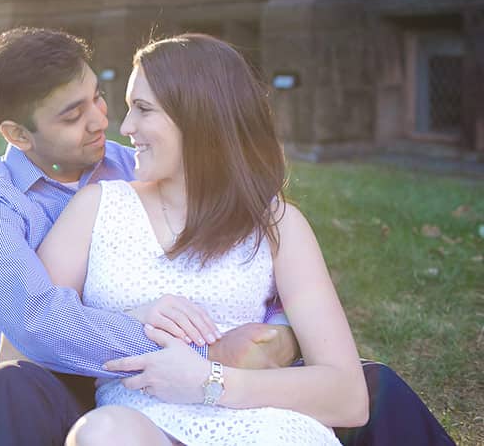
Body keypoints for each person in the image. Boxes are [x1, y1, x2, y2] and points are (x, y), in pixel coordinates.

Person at [0, 27, 454, 446]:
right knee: (7, 387)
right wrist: (205, 356)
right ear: (19, 135)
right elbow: (32, 332)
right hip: (67, 384)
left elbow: (266, 286)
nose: (111, 124)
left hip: (243, 396)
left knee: (375, 385)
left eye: (105, 100)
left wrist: (274, 338)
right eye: (72, 115)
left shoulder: (140, 168)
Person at [38, 33, 357, 444]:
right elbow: (28, 341)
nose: (126, 127)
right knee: (103, 433)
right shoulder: (96, 207)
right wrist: (129, 322)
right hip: (140, 427)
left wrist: (212, 381)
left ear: (199, 116)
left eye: (143, 109)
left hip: (264, 426)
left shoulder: (276, 224)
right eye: (128, 109)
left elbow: (348, 394)